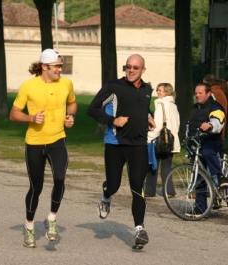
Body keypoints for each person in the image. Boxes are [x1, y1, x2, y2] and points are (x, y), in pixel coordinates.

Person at [9, 48, 77, 248]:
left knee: (60, 178)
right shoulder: (28, 87)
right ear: (45, 67)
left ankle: (52, 218)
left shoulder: (66, 84)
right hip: (35, 143)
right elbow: (14, 114)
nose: (60, 70)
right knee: (36, 187)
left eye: (61, 66)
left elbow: (72, 104)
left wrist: (71, 117)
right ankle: (29, 226)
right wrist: (31, 118)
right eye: (57, 66)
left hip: (57, 140)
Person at [87, 54, 155, 250]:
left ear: (143, 70)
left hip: (138, 145)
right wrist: (112, 120)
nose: (131, 70)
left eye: (135, 67)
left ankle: (139, 230)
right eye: (128, 67)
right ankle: (106, 195)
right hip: (115, 143)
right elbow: (93, 109)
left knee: (137, 187)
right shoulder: (113, 87)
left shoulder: (147, 89)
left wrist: (149, 117)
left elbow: (142, 106)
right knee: (114, 185)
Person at [185, 83, 228, 217]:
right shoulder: (195, 108)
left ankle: (220, 177)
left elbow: (218, 122)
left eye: (200, 93)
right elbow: (190, 125)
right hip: (197, 143)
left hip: (212, 141)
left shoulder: (215, 107)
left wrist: (209, 125)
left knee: (207, 151)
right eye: (196, 93)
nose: (197, 95)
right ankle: (200, 208)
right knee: (199, 176)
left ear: (208, 94)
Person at [145, 83, 181, 198]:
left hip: (160, 140)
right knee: (166, 166)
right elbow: (177, 124)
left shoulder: (161, 104)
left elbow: (158, 125)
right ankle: (169, 190)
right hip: (171, 140)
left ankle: (149, 191)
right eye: (157, 90)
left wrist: (148, 138)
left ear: (167, 92)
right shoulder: (174, 106)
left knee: (152, 165)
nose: (158, 92)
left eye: (160, 90)